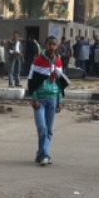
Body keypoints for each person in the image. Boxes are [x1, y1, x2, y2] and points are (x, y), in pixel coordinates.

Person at [28, 35, 70, 167]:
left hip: (52, 99)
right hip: (39, 100)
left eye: (54, 44)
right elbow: (31, 81)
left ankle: (42, 154)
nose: (52, 47)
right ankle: (44, 155)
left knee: (49, 130)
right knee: (42, 128)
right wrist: (34, 98)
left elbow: (59, 83)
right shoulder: (37, 61)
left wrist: (59, 101)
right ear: (45, 45)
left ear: (57, 46)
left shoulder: (58, 61)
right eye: (50, 44)